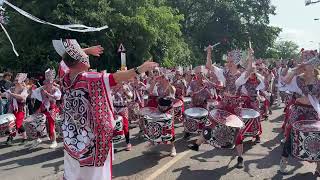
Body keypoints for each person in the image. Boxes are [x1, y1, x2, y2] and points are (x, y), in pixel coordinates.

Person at [52, 39, 158, 180]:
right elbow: (117, 77)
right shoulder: (90, 78)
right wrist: (141, 69)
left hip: (72, 140)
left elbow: (64, 62)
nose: (87, 57)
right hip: (93, 143)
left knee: (73, 175)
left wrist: (85, 50)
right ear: (79, 60)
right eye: (84, 55)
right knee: (96, 175)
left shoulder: (64, 77)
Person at [279, 50, 320, 175]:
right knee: (291, 134)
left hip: (313, 112)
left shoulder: (319, 80)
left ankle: (318, 166)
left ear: (315, 64)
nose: (308, 65)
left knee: (317, 136)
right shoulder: (298, 79)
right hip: (298, 110)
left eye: (311, 62)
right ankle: (283, 162)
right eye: (306, 62)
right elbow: (284, 82)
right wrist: (295, 70)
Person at [31, 68, 62, 148]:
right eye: (46, 81)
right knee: (37, 122)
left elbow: (56, 98)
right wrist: (32, 89)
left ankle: (54, 141)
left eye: (49, 81)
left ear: (52, 82)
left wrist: (48, 94)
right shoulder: (41, 89)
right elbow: (33, 94)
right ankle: (38, 138)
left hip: (52, 108)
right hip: (43, 108)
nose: (47, 83)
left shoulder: (55, 89)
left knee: (51, 124)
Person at [5, 73, 29, 145]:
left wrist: (12, 94)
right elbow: (5, 94)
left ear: (21, 81)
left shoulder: (24, 89)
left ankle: (25, 138)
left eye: (17, 79)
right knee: (10, 122)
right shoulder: (12, 88)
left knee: (19, 123)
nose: (15, 80)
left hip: (20, 109)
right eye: (15, 79)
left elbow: (22, 97)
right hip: (12, 108)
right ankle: (10, 138)